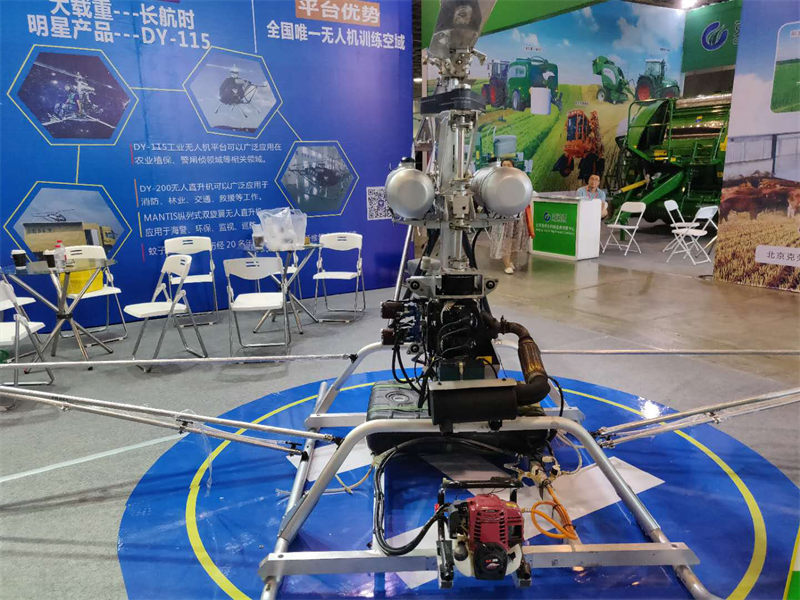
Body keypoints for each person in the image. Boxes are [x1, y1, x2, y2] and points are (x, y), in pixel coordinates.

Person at [489, 158, 530, 274]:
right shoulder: (496, 179)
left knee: (515, 239)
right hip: (503, 214)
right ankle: (506, 264)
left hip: (518, 213)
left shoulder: (520, 178)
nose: (506, 167)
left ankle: (510, 260)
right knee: (505, 239)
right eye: (504, 165)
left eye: (509, 165)